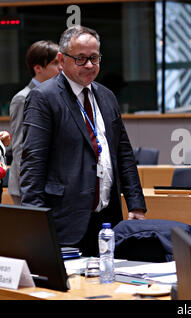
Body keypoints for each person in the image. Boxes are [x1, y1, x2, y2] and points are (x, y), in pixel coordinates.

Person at [21, 25, 146, 257]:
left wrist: (136, 203)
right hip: (64, 221)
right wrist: (35, 225)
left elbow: (124, 153)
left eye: (94, 58)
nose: (89, 65)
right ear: (61, 59)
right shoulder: (44, 98)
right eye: (80, 59)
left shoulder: (106, 96)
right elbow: (33, 164)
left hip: (107, 219)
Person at [8, 40, 62, 205]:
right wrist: (28, 187)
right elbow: (19, 147)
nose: (60, 67)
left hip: (50, 184)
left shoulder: (56, 95)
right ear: (38, 68)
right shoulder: (22, 98)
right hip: (27, 188)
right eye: (55, 63)